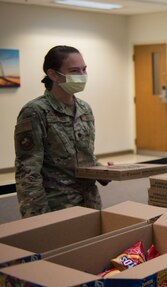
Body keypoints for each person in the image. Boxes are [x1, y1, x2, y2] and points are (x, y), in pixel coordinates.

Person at [14, 45, 107, 218]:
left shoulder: (84, 109)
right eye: (74, 71)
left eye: (84, 69)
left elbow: (85, 156)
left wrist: (104, 172)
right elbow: (27, 171)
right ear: (53, 74)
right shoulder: (35, 112)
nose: (82, 75)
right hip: (57, 206)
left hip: (90, 202)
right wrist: (37, 218)